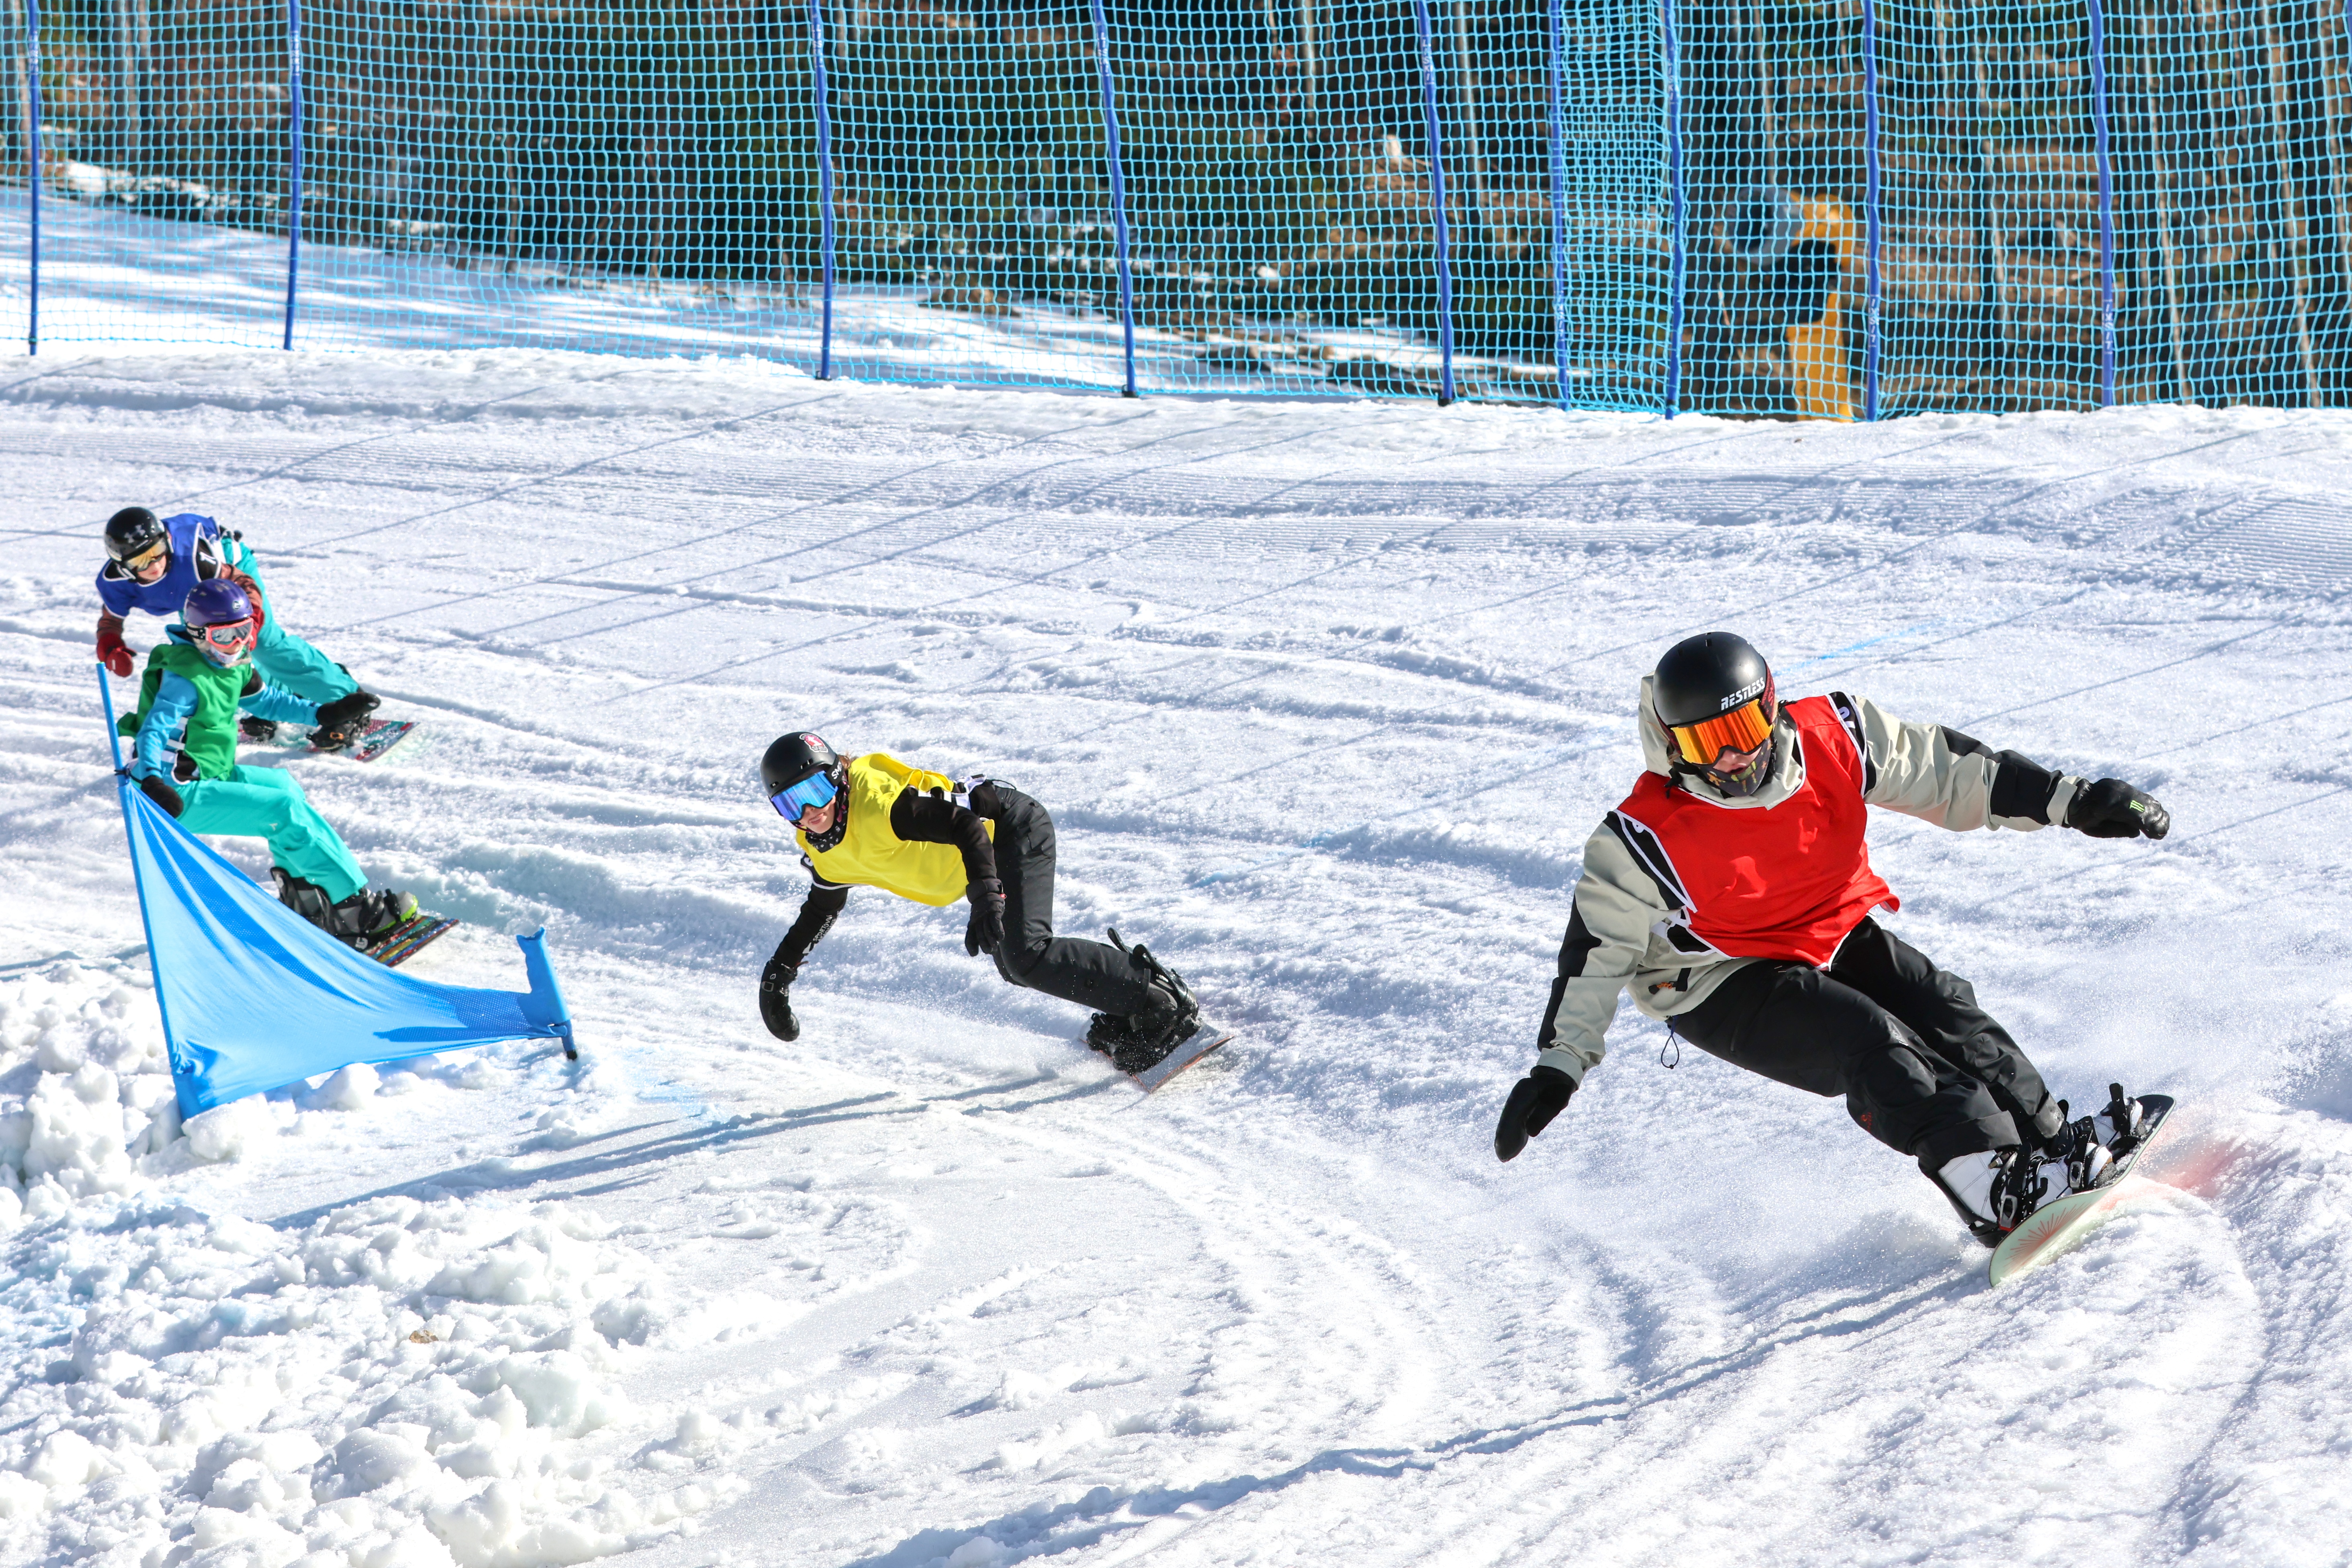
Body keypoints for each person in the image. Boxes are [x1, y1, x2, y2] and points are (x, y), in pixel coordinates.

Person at [1491, 631, 2170, 1248]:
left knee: (1942, 1007)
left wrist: (2071, 801)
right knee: (1868, 1041)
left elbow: (1948, 772)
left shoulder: (1835, 735)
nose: (1732, 757)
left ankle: (2050, 1145)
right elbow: (1595, 955)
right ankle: (1997, 1191)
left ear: (1771, 707)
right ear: (1673, 745)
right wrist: (1560, 1066)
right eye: (1706, 743)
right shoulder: (1642, 836)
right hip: (1713, 973)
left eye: (1744, 726)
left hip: (1826, 925)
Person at [755, 733, 1202, 1072]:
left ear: (836, 778)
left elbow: (967, 827)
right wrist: (779, 974)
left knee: (1026, 954)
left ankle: (1161, 1005)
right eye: (790, 803)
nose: (808, 812)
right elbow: (822, 906)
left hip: (1009, 828)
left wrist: (986, 895)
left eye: (814, 791)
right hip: (987, 855)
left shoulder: (879, 805)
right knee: (1014, 965)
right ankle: (1128, 1004)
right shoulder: (821, 843)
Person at [119, 579, 415, 943]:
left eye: (245, 632)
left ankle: (306, 899)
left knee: (285, 787)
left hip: (211, 775)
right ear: (198, 634)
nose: (238, 644)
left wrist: (324, 712)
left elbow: (268, 701)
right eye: (225, 636)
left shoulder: (232, 663)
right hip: (171, 794)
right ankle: (352, 909)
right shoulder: (185, 677)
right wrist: (151, 780)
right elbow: (153, 732)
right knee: (283, 810)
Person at [95, 505, 378, 744]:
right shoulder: (117, 582)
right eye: (142, 560)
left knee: (266, 644)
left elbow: (243, 582)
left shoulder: (191, 558)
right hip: (191, 595)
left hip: (229, 571)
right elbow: (111, 619)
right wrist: (111, 646)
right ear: (123, 565)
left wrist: (251, 626)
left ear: (166, 541)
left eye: (157, 550)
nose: (155, 563)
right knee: (212, 652)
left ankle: (345, 699)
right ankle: (274, 699)